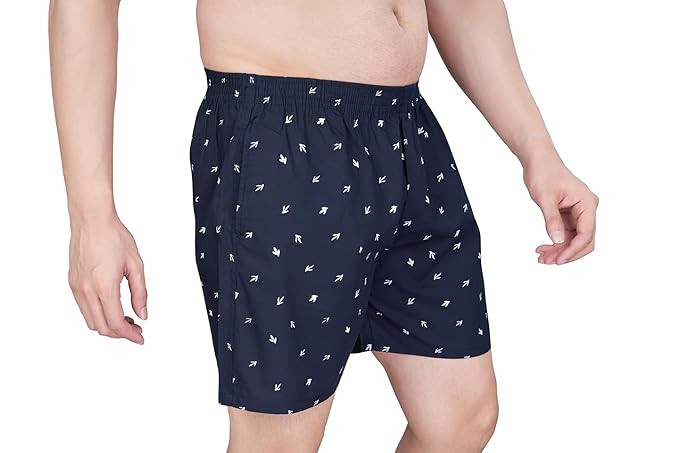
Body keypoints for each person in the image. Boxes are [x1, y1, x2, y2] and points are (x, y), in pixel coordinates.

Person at [48, 1, 599, 452]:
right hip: (284, 135)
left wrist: (537, 151)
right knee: (279, 443)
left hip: (408, 135)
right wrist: (91, 215)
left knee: (459, 419)